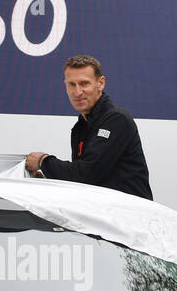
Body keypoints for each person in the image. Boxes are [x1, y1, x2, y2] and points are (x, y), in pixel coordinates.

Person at [24, 54, 153, 199]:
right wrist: (48, 179)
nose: (77, 92)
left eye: (84, 83)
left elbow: (87, 174)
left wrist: (43, 162)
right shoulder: (81, 126)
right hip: (104, 214)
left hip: (129, 216)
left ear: (101, 83)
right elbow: (83, 183)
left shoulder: (116, 119)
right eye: (71, 84)